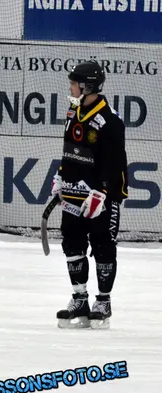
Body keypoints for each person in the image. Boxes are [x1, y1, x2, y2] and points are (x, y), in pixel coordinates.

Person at [51, 60, 128, 330]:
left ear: (88, 86)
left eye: (74, 83)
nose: (70, 87)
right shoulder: (73, 112)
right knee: (71, 243)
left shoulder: (110, 119)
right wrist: (60, 176)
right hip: (73, 193)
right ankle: (79, 298)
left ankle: (103, 301)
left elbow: (116, 162)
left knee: (103, 244)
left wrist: (103, 192)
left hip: (100, 197)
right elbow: (70, 149)